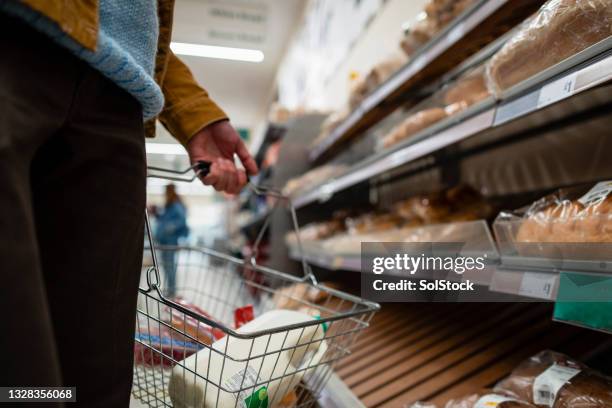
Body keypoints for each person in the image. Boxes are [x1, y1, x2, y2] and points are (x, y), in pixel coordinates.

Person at [0, 1, 258, 406]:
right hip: (17, 44)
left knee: (95, 371)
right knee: (20, 360)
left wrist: (196, 114)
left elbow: (131, 18)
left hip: (119, 103)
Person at [152, 184, 189, 297]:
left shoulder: (176, 205)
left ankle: (172, 291)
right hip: (164, 241)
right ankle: (170, 289)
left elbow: (181, 221)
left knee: (170, 266)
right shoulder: (169, 205)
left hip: (170, 241)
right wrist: (157, 214)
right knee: (166, 266)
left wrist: (169, 228)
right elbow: (164, 219)